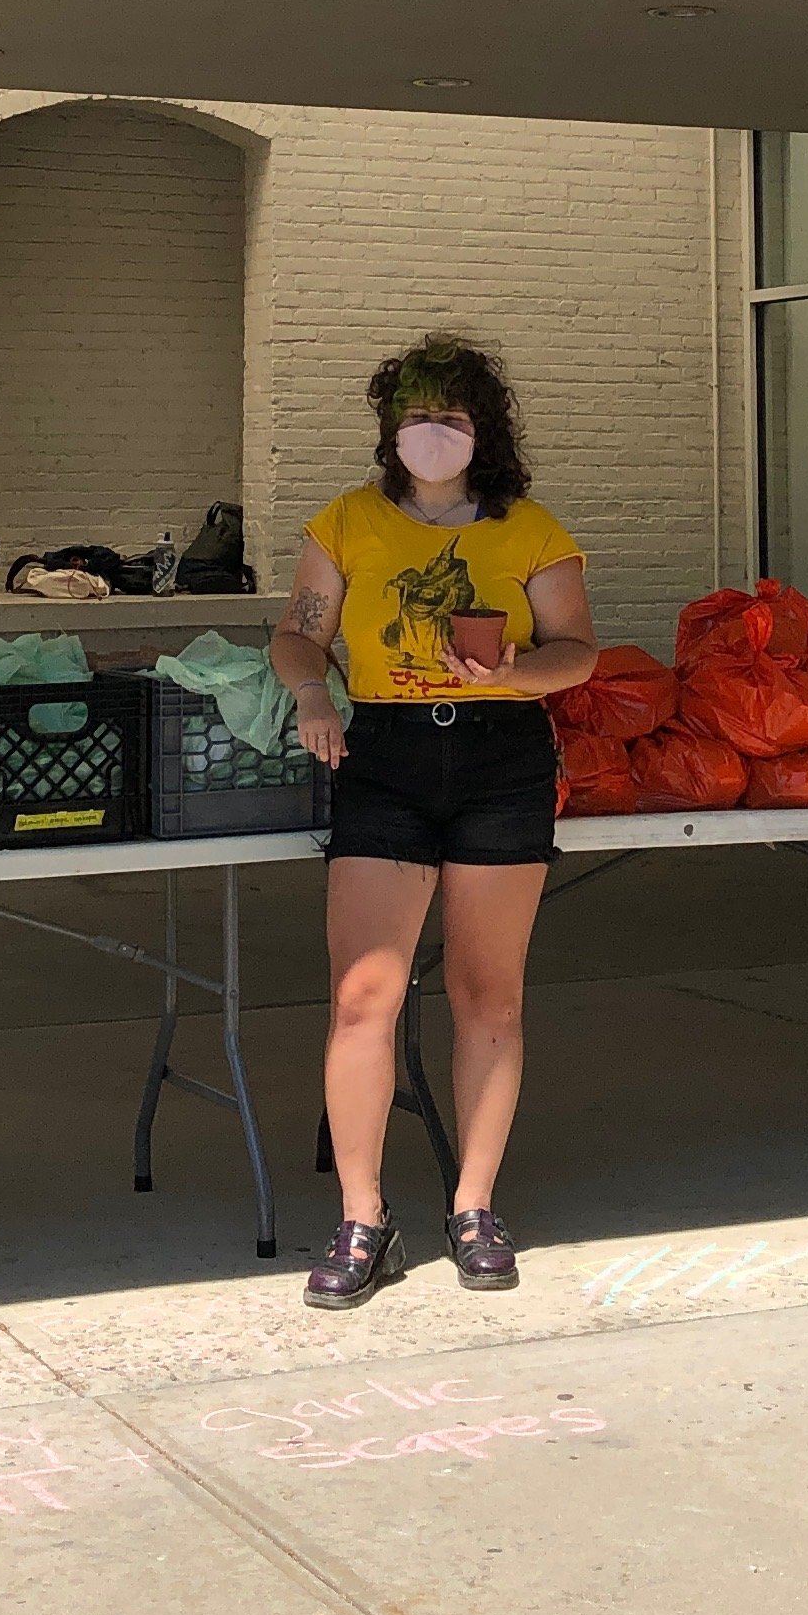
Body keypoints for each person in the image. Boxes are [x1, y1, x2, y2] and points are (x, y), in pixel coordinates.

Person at [271, 334, 596, 1310]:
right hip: (388, 759)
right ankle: (364, 1215)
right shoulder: (346, 523)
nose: (431, 434)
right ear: (390, 430)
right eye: (415, 417)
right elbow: (298, 632)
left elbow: (577, 650)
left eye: (450, 417)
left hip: (501, 760)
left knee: (487, 996)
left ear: (481, 430)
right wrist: (313, 695)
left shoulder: (530, 530)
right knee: (364, 996)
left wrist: (514, 673)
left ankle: (475, 1206)